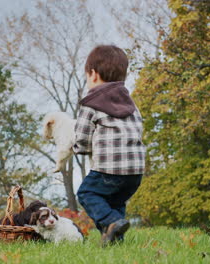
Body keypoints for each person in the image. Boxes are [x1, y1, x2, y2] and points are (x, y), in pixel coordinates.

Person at [73, 45, 146, 246]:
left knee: (87, 193)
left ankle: (112, 222)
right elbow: (137, 129)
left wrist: (79, 149)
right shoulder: (132, 104)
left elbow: (81, 138)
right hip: (135, 171)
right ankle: (116, 240)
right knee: (115, 202)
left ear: (93, 74)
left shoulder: (91, 103)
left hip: (109, 170)